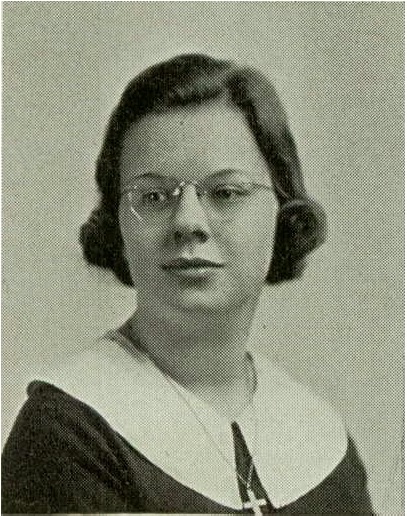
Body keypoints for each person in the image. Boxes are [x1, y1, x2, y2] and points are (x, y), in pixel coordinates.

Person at [2, 54, 374, 514]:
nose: (188, 223)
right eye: (153, 196)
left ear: (281, 211)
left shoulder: (322, 441)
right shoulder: (67, 434)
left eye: (226, 193)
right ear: (118, 225)